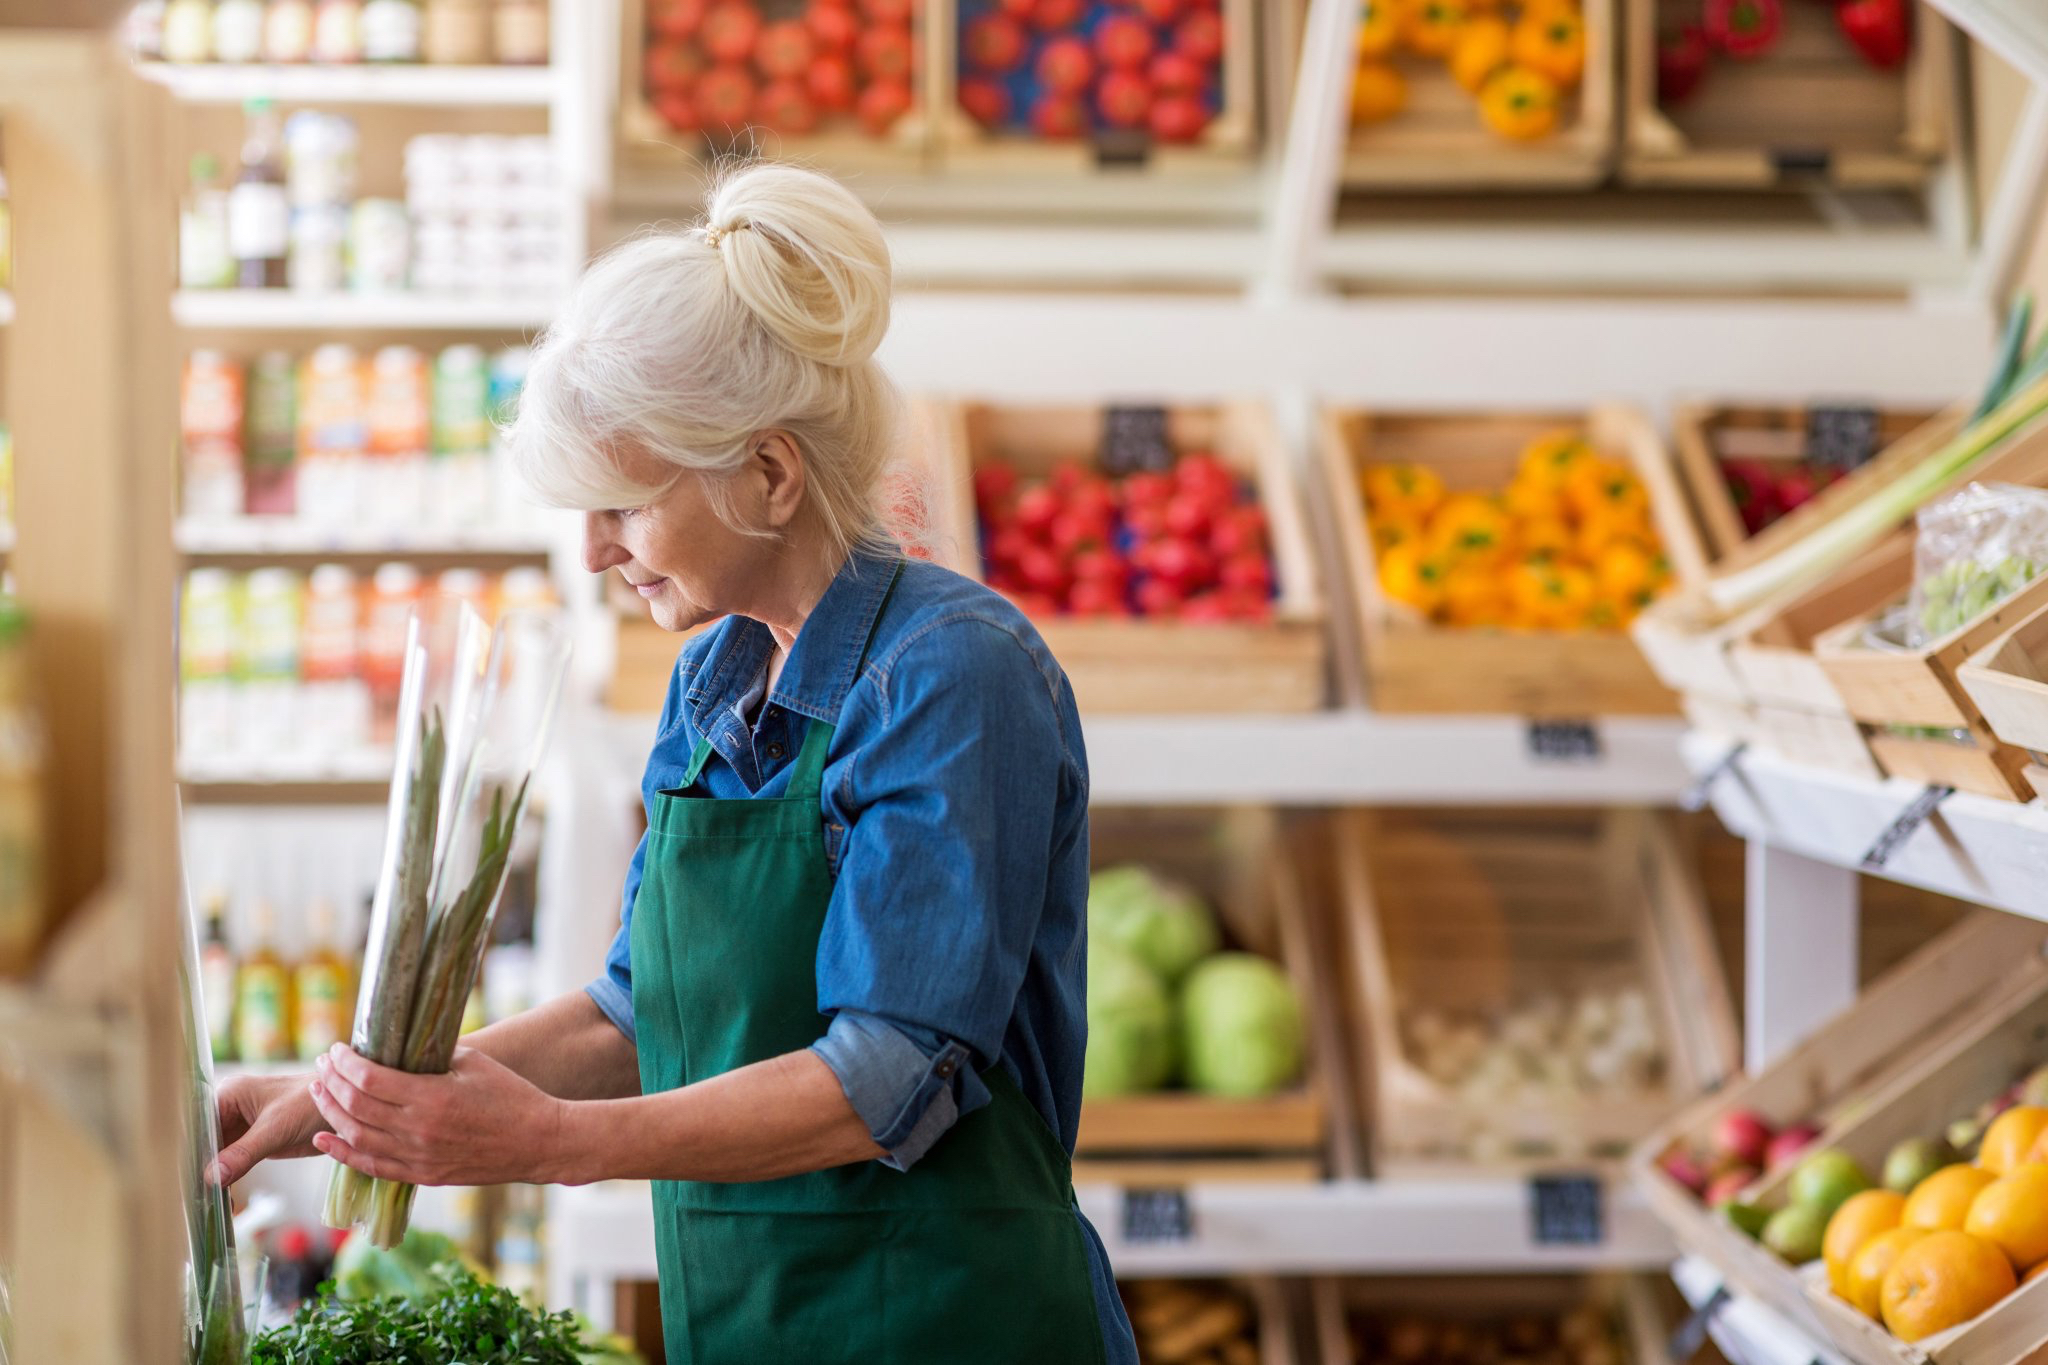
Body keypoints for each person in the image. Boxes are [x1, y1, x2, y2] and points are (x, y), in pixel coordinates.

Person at [211, 161, 1139, 1365]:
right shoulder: (712, 679)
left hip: (953, 1323)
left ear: (766, 473)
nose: (594, 551)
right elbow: (635, 1016)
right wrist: (343, 1098)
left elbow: (889, 1074)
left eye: (623, 506)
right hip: (752, 1324)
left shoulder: (951, 676)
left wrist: (547, 1143)